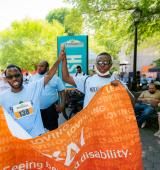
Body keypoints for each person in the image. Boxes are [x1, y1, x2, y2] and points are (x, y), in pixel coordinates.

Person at [0, 50, 63, 137]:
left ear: (22, 75)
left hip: (37, 137)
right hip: (19, 140)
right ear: (6, 79)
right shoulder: (2, 97)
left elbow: (48, 75)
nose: (14, 79)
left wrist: (59, 59)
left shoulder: (33, 88)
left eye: (17, 75)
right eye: (10, 77)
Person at [61, 48, 133, 108]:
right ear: (96, 64)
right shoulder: (87, 80)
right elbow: (66, 78)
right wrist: (64, 60)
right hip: (89, 122)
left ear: (110, 65)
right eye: (99, 62)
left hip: (108, 122)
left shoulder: (117, 82)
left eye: (105, 63)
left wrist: (122, 88)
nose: (102, 65)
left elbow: (132, 102)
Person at [30, 60, 67, 131]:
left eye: (42, 66)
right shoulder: (32, 78)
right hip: (37, 109)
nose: (39, 68)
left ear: (47, 68)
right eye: (38, 66)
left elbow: (62, 91)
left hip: (51, 108)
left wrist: (62, 105)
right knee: (38, 131)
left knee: (53, 130)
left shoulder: (55, 78)